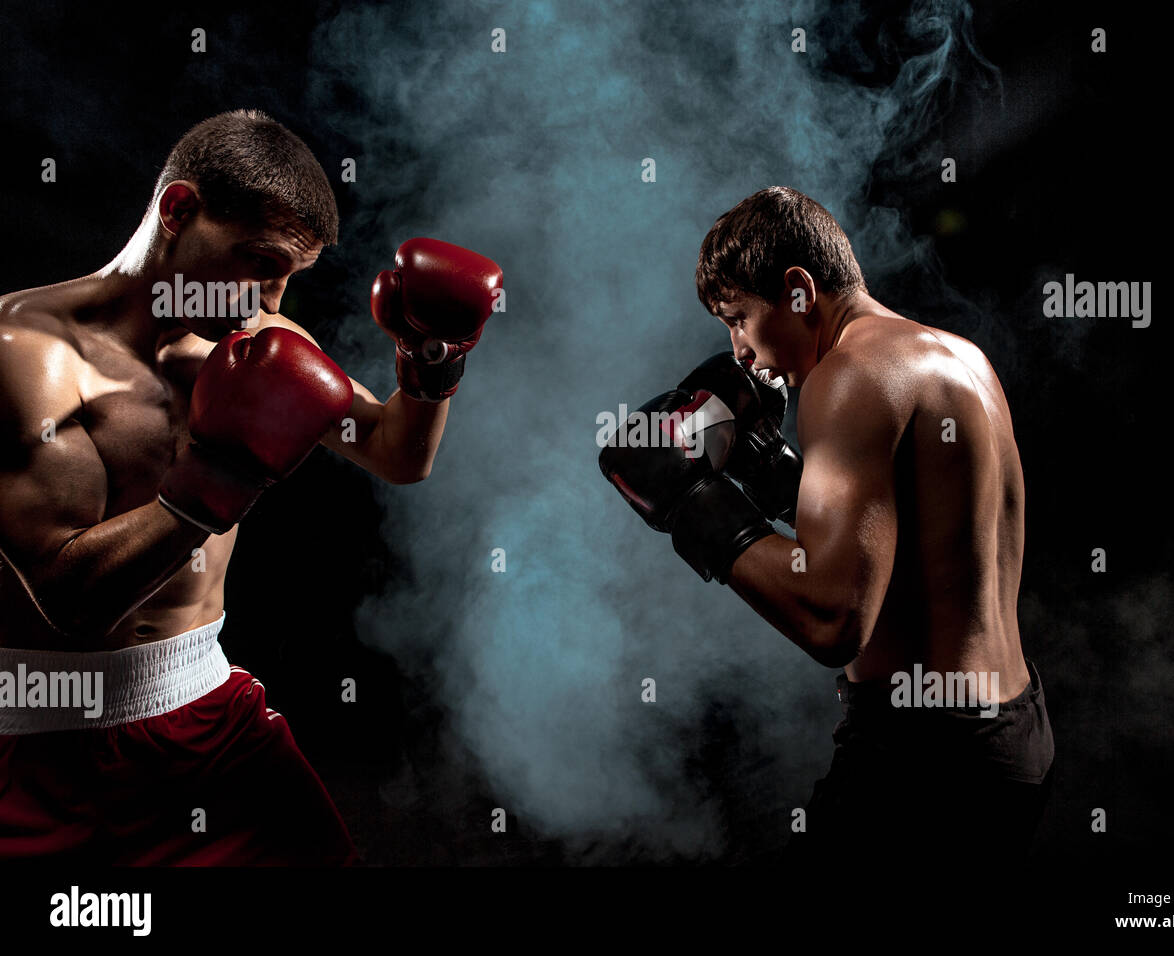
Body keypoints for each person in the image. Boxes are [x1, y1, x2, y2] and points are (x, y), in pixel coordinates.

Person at [0, 109, 502, 864]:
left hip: (209, 718)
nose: (269, 303)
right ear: (178, 210)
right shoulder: (30, 355)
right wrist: (224, 476)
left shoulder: (255, 338)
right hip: (47, 742)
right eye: (258, 261)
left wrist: (431, 362)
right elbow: (72, 599)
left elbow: (398, 454)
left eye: (290, 279)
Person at [600, 185, 1053, 866]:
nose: (739, 351)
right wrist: (775, 475)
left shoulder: (848, 378)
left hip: (923, 761)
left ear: (799, 290)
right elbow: (917, 538)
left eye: (739, 317)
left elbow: (832, 619)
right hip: (1014, 733)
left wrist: (692, 503)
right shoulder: (957, 358)